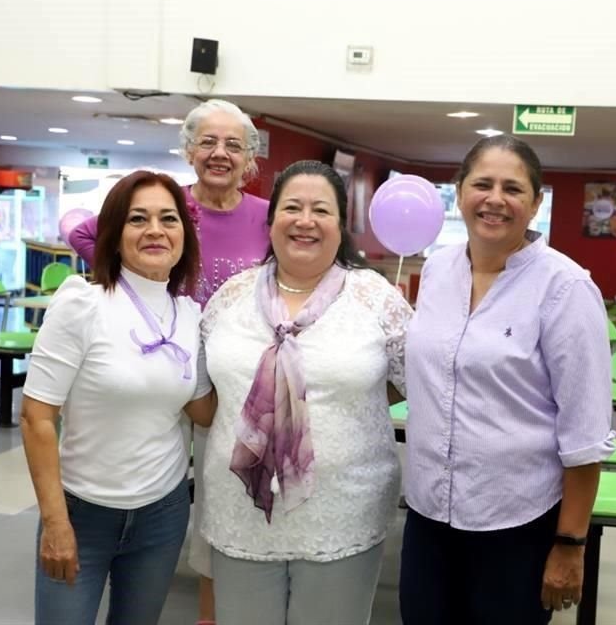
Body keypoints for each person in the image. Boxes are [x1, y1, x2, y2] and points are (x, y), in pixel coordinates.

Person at [68, 99, 270, 625]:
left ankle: (211, 603)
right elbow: (86, 234)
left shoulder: (267, 215)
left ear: (250, 156)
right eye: (208, 141)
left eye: (233, 144)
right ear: (188, 149)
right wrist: (137, 288)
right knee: (146, 475)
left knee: (221, 499)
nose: (219, 153)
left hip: (226, 380)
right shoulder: (166, 206)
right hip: (154, 358)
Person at [399, 135, 616, 624]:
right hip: (430, 515)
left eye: (513, 189)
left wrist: (570, 543)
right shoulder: (437, 270)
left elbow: (584, 433)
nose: (495, 199)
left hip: (517, 523)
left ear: (535, 204)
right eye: (482, 184)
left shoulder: (565, 288)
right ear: (459, 193)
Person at [196, 160, 413, 625]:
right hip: (241, 510)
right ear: (271, 220)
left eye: (321, 210)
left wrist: (340, 407)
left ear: (341, 225)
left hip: (343, 511)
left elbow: (411, 381)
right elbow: (204, 390)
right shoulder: (230, 298)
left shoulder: (376, 300)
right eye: (292, 207)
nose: (305, 220)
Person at [21, 171, 216, 625]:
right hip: (80, 513)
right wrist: (54, 523)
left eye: (169, 218)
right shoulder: (82, 305)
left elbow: (205, 412)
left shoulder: (190, 316)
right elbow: (37, 417)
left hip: (162, 515)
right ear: (114, 234)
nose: (155, 230)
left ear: (184, 235)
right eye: (137, 219)